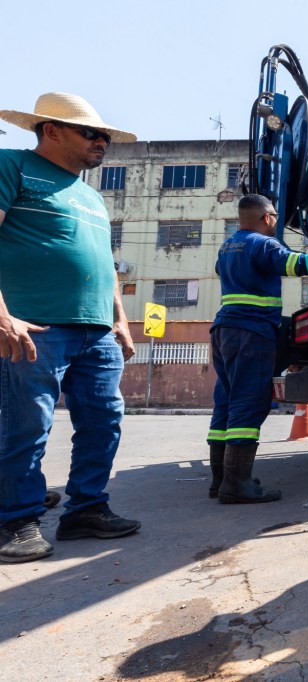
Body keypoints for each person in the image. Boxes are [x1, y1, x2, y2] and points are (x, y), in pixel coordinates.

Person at [0, 93, 140, 564]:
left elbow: (104, 264)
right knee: (27, 426)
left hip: (96, 331)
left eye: (105, 136)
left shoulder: (91, 196)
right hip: (34, 326)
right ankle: (15, 522)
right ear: (51, 130)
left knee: (104, 422)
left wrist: (119, 318)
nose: (102, 142)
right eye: (91, 133)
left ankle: (86, 509)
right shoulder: (12, 166)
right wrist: (2, 315)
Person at [208, 194, 308, 503]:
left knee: (226, 400)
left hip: (224, 330)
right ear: (267, 218)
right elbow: (300, 264)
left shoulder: (228, 246)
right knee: (249, 402)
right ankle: (237, 484)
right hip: (251, 331)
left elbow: (220, 271)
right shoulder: (264, 244)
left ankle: (221, 479)